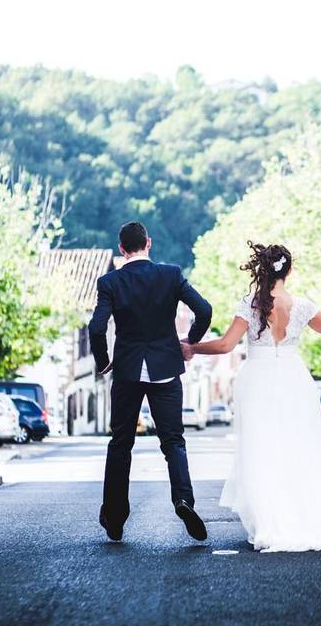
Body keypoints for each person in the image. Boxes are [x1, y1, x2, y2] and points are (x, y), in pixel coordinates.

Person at [183, 241, 321, 552]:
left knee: (264, 448)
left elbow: (226, 346)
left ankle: (274, 519)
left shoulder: (250, 304)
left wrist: (192, 347)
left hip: (258, 380)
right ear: (288, 271)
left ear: (260, 270)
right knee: (303, 442)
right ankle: (309, 512)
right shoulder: (303, 305)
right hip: (293, 376)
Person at [88, 221, 212, 542]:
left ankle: (114, 518)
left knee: (121, 444)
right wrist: (190, 342)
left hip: (128, 371)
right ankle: (183, 500)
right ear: (149, 243)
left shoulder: (109, 282)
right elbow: (204, 309)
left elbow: (97, 328)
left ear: (121, 249)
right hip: (166, 368)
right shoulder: (170, 275)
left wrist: (103, 363)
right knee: (173, 442)